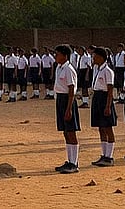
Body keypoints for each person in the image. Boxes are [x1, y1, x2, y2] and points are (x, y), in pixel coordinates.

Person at [52, 45, 81, 174]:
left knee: (71, 131)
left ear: (65, 55)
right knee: (65, 131)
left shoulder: (69, 69)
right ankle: (69, 160)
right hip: (60, 99)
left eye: (57, 54)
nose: (55, 56)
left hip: (67, 100)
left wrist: (69, 108)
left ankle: (74, 163)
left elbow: (71, 89)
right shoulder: (59, 68)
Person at [90, 47, 117, 166]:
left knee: (108, 127)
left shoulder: (108, 71)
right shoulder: (97, 68)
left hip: (105, 98)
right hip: (97, 97)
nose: (93, 58)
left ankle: (109, 156)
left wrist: (108, 106)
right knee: (101, 127)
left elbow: (110, 90)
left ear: (101, 57)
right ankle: (104, 154)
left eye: (94, 56)